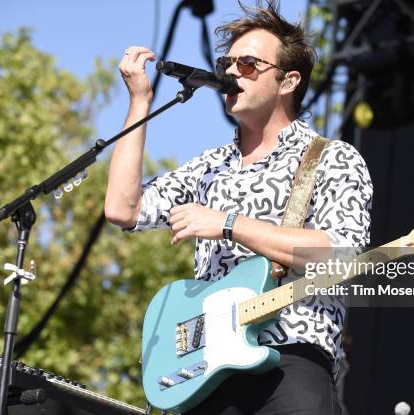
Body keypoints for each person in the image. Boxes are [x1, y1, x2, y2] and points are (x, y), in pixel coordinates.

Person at [104, 1, 372, 413]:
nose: (230, 73)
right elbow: (124, 208)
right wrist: (139, 102)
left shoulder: (333, 158)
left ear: (288, 82)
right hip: (206, 372)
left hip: (292, 361)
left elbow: (342, 254)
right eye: (227, 63)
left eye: (248, 64)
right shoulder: (209, 166)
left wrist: (229, 223)